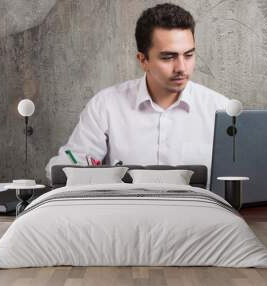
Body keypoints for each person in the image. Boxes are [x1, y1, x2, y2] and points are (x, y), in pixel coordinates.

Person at [46, 3, 229, 187]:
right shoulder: (106, 106)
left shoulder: (220, 110)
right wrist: (76, 169)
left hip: (198, 213)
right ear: (143, 60)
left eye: (188, 55)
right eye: (168, 57)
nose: (181, 67)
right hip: (123, 213)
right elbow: (62, 170)